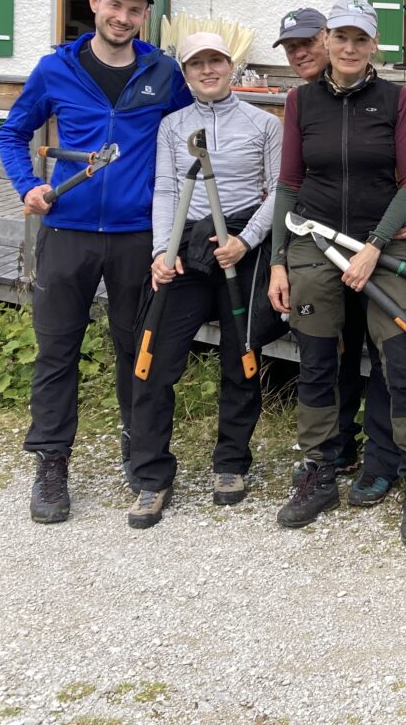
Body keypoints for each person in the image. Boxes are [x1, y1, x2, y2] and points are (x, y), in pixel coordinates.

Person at [0, 0, 190, 523]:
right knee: (57, 350)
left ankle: (140, 446)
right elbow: (13, 133)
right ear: (95, 3)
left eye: (134, 10)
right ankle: (51, 462)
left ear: (144, 17)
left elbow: (186, 133)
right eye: (115, 6)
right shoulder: (55, 69)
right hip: (68, 231)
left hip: (137, 236)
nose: (123, 18)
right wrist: (27, 185)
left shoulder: (163, 72)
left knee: (137, 350)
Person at [267, 0, 406, 545]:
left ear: (373, 45)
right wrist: (277, 261)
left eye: (359, 38)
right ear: (327, 41)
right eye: (340, 37)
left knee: (403, 358)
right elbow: (289, 184)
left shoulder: (397, 100)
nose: (348, 47)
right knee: (317, 361)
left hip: (382, 248)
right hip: (312, 242)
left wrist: (374, 246)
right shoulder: (300, 101)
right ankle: (320, 471)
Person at [127, 31, 282, 528]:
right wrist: (162, 251)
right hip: (187, 244)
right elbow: (166, 190)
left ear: (231, 66)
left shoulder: (264, 123)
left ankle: (231, 463)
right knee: (154, 360)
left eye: (216, 61)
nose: (208, 70)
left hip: (242, 245)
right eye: (197, 64)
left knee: (242, 358)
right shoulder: (173, 126)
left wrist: (247, 240)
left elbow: (280, 190)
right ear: (186, 73)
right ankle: (151, 475)